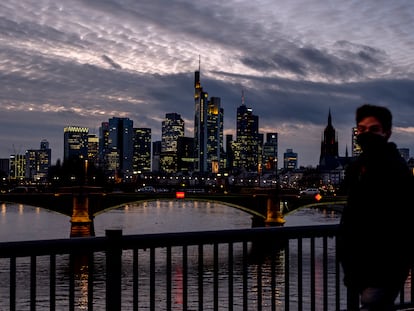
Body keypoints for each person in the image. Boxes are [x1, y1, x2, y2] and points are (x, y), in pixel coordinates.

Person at [338, 104, 413, 310]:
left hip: (383, 268)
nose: (365, 134)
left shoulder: (394, 167)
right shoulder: (360, 166)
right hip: (361, 268)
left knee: (372, 304)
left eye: (373, 129)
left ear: (386, 133)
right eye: (361, 129)